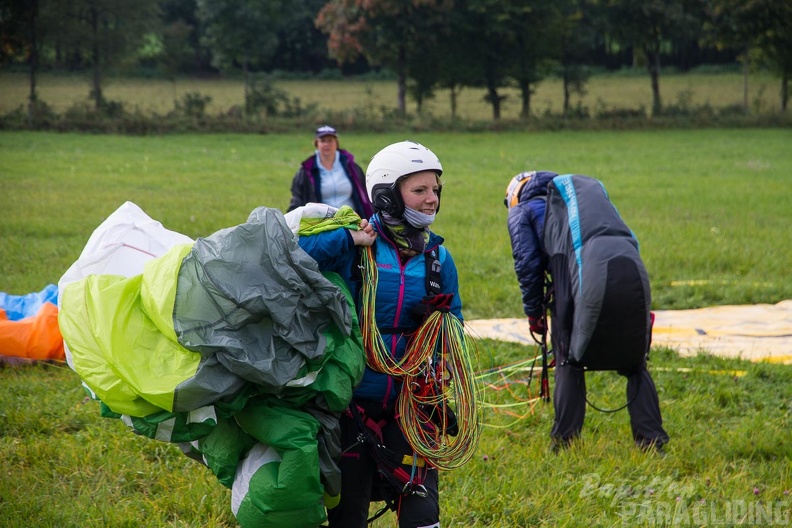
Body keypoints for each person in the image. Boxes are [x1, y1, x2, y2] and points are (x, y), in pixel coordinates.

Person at [298, 140, 463, 528]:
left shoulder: (438, 259)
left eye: (435, 190)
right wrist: (348, 239)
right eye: (419, 190)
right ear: (387, 195)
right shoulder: (358, 246)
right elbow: (294, 252)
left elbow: (452, 325)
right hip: (352, 407)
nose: (431, 200)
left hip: (411, 407)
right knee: (348, 516)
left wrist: (439, 344)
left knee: (423, 517)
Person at [504, 170, 669, 453]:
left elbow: (528, 265)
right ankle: (652, 443)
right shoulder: (580, 205)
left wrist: (534, 314)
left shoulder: (523, 212)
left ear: (514, 195)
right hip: (630, 273)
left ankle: (565, 443)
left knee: (569, 360)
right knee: (635, 363)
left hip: (580, 282)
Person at [287, 125, 374, 218]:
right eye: (323, 141)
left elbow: (366, 194)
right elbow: (297, 199)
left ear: (336, 143)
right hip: (322, 223)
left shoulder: (351, 167)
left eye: (330, 140)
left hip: (351, 219)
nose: (326, 144)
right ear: (317, 144)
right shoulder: (306, 172)